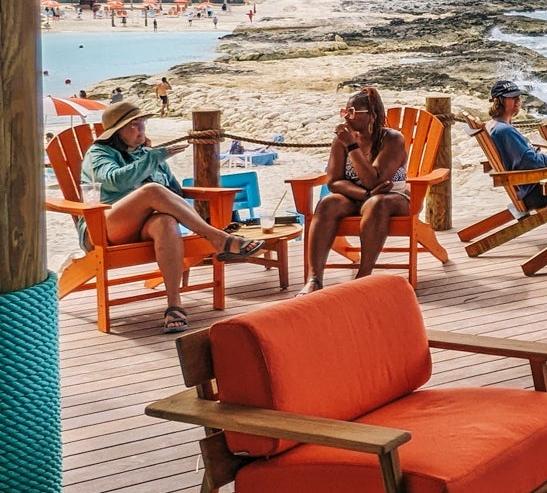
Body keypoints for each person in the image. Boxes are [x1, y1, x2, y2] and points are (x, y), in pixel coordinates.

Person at [84, 102, 262, 334]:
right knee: (152, 191)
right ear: (116, 132)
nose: (141, 129)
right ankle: (217, 238)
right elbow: (115, 181)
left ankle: (174, 305)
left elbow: (175, 194)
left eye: (142, 124)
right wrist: (154, 160)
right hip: (104, 227)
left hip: (145, 226)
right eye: (134, 126)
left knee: (166, 222)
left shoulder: (148, 155)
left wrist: (159, 179)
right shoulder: (99, 154)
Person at [299, 85, 410, 295]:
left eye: (351, 113)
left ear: (372, 115)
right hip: (358, 196)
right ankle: (314, 279)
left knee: (377, 203)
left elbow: (373, 179)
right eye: (344, 112)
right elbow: (334, 182)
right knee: (327, 203)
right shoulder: (342, 140)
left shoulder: (392, 139)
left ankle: (363, 277)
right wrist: (366, 194)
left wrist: (352, 147)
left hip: (394, 197)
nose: (346, 118)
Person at [484, 80, 547, 211]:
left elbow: (524, 156)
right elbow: (531, 162)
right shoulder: (504, 131)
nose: (518, 100)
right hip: (533, 191)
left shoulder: (496, 125)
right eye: (512, 98)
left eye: (518, 97)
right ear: (498, 101)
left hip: (525, 187)